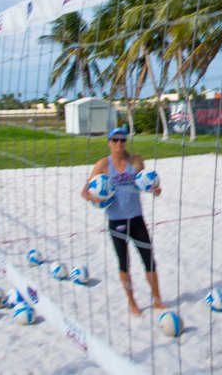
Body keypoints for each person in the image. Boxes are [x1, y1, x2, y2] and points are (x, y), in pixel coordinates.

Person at [80, 126, 166, 316]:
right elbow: (84, 191)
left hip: (136, 218)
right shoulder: (103, 164)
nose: (119, 143)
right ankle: (132, 303)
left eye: (122, 140)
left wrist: (154, 190)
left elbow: (144, 184)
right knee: (123, 263)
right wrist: (94, 198)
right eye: (115, 140)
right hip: (116, 220)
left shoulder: (135, 161)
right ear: (109, 143)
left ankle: (157, 300)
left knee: (149, 261)